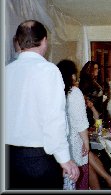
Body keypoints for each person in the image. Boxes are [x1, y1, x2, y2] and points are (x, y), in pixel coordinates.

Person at [5, 20, 79, 189]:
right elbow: (54, 119)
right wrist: (64, 158)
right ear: (45, 41)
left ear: (19, 41)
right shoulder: (49, 70)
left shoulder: (6, 71)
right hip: (37, 160)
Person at [57, 59, 90, 190]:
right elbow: (80, 121)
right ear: (72, 75)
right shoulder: (74, 92)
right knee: (78, 177)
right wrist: (86, 142)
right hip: (74, 141)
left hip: (59, 143)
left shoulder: (56, 90)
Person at [79, 61, 107, 128]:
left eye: (98, 68)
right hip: (91, 113)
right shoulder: (86, 82)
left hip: (97, 110)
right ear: (89, 70)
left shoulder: (94, 81)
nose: (98, 70)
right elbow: (84, 97)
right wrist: (93, 108)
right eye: (95, 68)